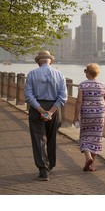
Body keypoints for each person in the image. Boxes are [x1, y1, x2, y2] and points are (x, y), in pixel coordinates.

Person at [24, 50, 68, 181]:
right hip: (54, 108)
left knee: (38, 139)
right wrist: (51, 111)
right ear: (51, 61)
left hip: (37, 108)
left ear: (38, 62)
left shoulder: (32, 74)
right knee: (51, 137)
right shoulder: (59, 74)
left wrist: (40, 110)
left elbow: (28, 96)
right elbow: (63, 97)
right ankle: (51, 164)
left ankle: (43, 169)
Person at [73, 63, 105, 172]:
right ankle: (91, 165)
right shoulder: (103, 85)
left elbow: (79, 101)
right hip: (99, 115)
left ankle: (88, 157)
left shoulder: (82, 85)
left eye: (85, 71)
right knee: (96, 139)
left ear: (88, 72)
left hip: (86, 114)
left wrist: (76, 116)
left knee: (85, 137)